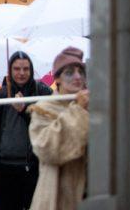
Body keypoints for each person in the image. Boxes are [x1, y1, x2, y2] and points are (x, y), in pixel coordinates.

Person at [29, 47, 89, 210]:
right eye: (69, 72)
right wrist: (78, 110)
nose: (77, 77)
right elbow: (47, 149)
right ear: (57, 78)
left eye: (81, 72)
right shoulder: (43, 109)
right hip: (58, 197)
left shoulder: (92, 107)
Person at [0, 51, 52, 210]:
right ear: (10, 71)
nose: (21, 73)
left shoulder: (42, 92)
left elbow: (47, 125)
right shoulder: (1, 95)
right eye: (17, 69)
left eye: (26, 69)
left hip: (33, 167)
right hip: (4, 167)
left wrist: (24, 110)